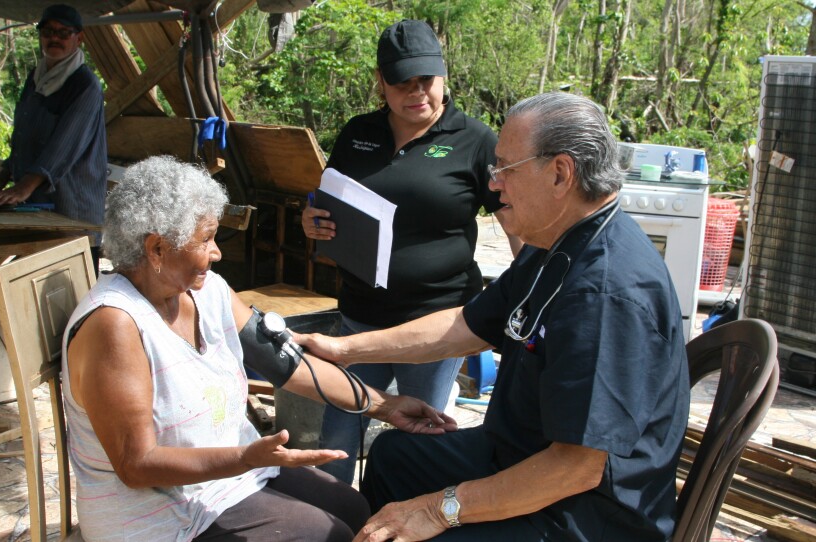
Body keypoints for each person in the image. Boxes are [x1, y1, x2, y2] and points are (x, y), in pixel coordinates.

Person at [297, 92, 691, 541]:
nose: (495, 183)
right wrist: (344, 348)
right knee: (393, 455)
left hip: (584, 512)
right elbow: (465, 325)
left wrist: (439, 509)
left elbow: (577, 467)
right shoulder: (554, 244)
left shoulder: (605, 293)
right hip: (516, 454)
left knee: (426, 527)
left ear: (560, 173)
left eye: (505, 168)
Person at [60, 155, 457, 542]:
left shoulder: (209, 292)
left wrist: (384, 404)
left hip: (227, 477)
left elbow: (286, 364)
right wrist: (246, 458)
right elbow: (137, 465)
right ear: (157, 249)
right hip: (160, 516)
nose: (216, 252)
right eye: (206, 239)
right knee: (328, 533)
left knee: (355, 510)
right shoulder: (115, 324)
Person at [302, 19, 519, 484]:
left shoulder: (476, 140)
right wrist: (311, 219)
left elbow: (516, 221)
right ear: (381, 82)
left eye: (427, 80)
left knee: (423, 436)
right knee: (337, 434)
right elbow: (326, 197)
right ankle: (332, 520)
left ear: (444, 76)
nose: (417, 92)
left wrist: (533, 290)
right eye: (403, 81)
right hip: (360, 316)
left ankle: (415, 522)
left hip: (435, 323)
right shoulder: (358, 132)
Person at [0, 4, 107, 267]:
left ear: (78, 38)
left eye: (63, 33)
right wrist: (7, 171)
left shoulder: (85, 85)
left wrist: (24, 187)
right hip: (39, 204)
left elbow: (64, 145)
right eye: (48, 32)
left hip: (72, 207)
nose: (54, 38)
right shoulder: (36, 79)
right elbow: (23, 133)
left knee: (75, 291)